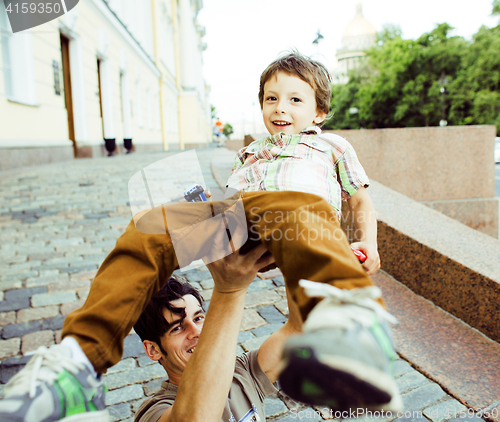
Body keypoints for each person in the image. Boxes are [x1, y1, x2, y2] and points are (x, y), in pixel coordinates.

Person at [0, 51, 401, 422]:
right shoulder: (251, 151)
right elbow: (227, 197)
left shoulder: (332, 145)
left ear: (320, 111)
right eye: (271, 98)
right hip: (242, 216)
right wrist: (193, 210)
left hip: (299, 217)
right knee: (147, 227)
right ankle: (78, 360)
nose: (281, 108)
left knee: (302, 215)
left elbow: (360, 200)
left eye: (296, 100)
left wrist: (368, 243)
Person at [133, 238, 301, 422]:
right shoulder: (153, 413)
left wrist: (294, 258)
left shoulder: (243, 372)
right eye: (178, 327)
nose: (197, 332)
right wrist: (230, 290)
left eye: (198, 318)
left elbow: (300, 330)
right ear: (153, 350)